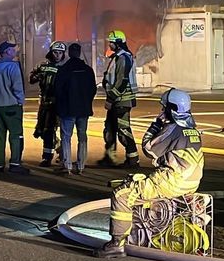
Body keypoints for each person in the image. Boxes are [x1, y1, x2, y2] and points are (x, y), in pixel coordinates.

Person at [97, 88, 203, 259]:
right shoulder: (193, 130)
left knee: (122, 194)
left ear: (171, 108)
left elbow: (149, 149)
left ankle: (117, 243)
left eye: (164, 108)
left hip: (172, 181)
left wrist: (155, 126)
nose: (162, 111)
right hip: (191, 182)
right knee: (142, 186)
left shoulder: (172, 129)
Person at [0, 41, 30, 175]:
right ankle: (15, 163)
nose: (15, 51)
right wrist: (20, 101)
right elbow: (17, 87)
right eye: (13, 49)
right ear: (7, 51)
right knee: (15, 135)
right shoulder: (13, 67)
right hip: (11, 106)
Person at [97, 29, 140, 168]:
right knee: (109, 128)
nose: (109, 45)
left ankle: (132, 159)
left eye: (111, 42)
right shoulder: (117, 57)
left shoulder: (123, 58)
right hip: (117, 100)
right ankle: (109, 157)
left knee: (123, 129)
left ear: (118, 43)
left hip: (122, 100)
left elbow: (122, 81)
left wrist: (111, 99)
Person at [52, 42, 96, 176]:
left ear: (69, 53)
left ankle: (67, 165)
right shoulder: (88, 70)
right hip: (83, 109)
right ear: (80, 53)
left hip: (68, 109)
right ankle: (81, 165)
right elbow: (93, 89)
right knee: (82, 137)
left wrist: (60, 108)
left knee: (66, 137)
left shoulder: (64, 70)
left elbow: (57, 91)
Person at [29, 41, 66, 167]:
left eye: (60, 53)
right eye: (55, 52)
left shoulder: (64, 68)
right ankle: (60, 149)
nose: (57, 55)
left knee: (49, 130)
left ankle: (47, 158)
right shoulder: (43, 65)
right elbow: (31, 79)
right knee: (40, 131)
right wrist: (38, 75)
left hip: (56, 105)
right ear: (51, 52)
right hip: (44, 103)